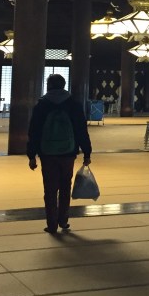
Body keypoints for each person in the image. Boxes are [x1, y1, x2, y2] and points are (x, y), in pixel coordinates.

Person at [26, 74, 92, 235]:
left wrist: (31, 155)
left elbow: (34, 132)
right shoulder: (73, 104)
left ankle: (52, 224)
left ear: (48, 85)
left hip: (47, 153)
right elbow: (81, 130)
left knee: (50, 189)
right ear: (63, 85)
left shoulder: (41, 105)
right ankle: (63, 220)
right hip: (68, 152)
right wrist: (87, 152)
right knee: (65, 186)